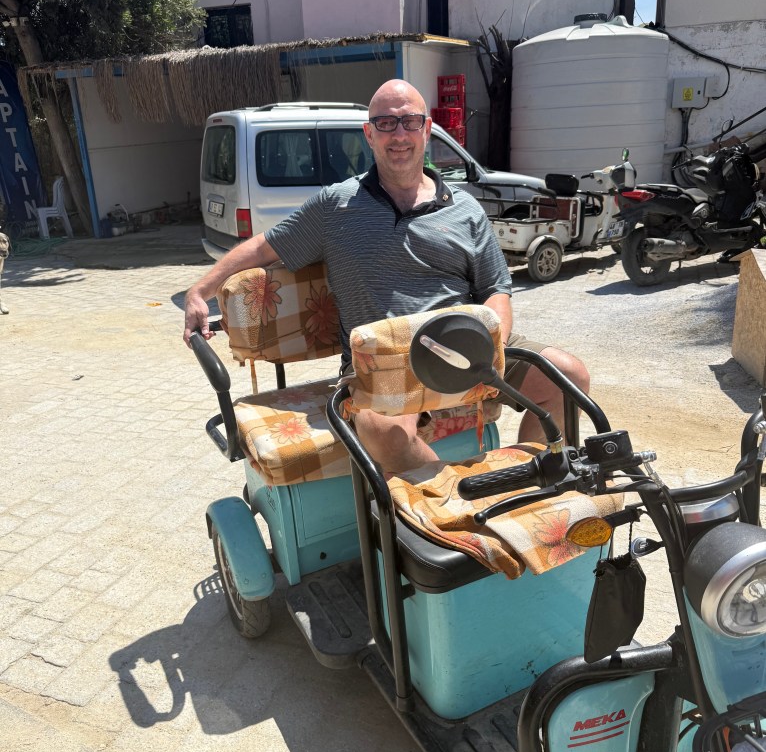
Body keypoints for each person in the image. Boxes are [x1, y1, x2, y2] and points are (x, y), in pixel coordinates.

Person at [184, 79, 589, 473]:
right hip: (384, 360)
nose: (399, 134)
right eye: (386, 123)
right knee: (383, 432)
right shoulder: (336, 206)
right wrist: (200, 291)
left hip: (466, 346)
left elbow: (495, 288)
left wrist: (490, 348)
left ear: (427, 130)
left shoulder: (465, 209)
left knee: (569, 377)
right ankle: (451, 499)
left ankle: (529, 479)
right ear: (369, 134)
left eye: (410, 121)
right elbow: (264, 247)